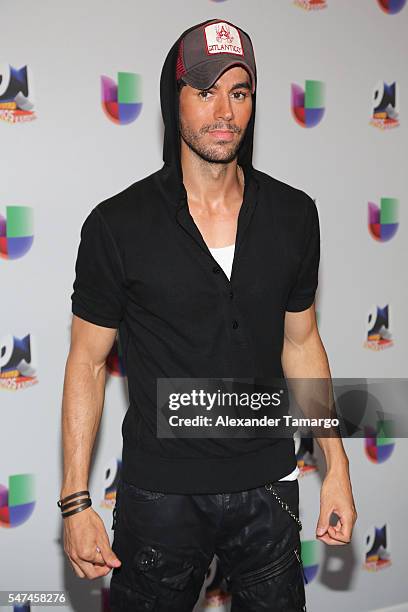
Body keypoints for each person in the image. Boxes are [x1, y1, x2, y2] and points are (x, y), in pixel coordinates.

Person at [59, 18, 357, 611]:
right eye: (204, 90)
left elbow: (301, 345)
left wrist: (337, 466)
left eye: (239, 91)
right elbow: (88, 365)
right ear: (175, 100)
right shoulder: (117, 225)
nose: (224, 110)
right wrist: (75, 501)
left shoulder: (294, 214)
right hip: (160, 498)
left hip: (270, 491)